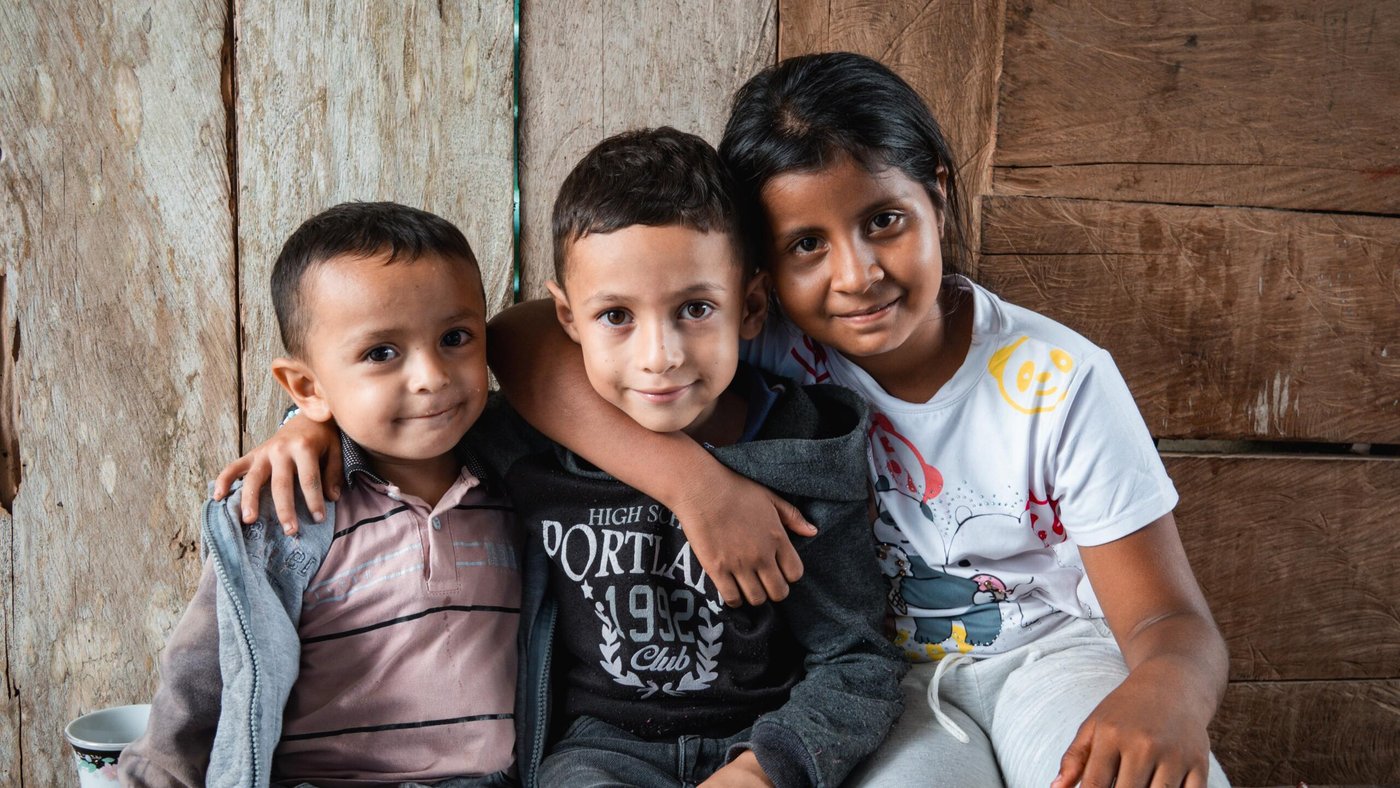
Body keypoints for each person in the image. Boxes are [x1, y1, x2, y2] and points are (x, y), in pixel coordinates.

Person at [487, 54, 1232, 788]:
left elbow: (1168, 619)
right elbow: (519, 340)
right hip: (881, 690)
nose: (856, 276)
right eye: (806, 245)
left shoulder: (1060, 380)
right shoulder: (750, 337)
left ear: (937, 194)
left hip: (1053, 659)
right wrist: (694, 486)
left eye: (884, 220)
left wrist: (1166, 691)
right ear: (762, 275)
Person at [482, 126, 904, 787]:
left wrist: (767, 768)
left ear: (752, 305)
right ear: (567, 318)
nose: (660, 356)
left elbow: (858, 659)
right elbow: (414, 431)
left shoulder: (807, 455)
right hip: (599, 754)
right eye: (616, 316)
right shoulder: (531, 445)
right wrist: (317, 431)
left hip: (765, 742)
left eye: (696, 308)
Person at [121, 202, 527, 787]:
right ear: (307, 387)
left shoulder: (521, 486)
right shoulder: (285, 514)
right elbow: (200, 684)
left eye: (455, 337)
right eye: (381, 353)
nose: (432, 376)